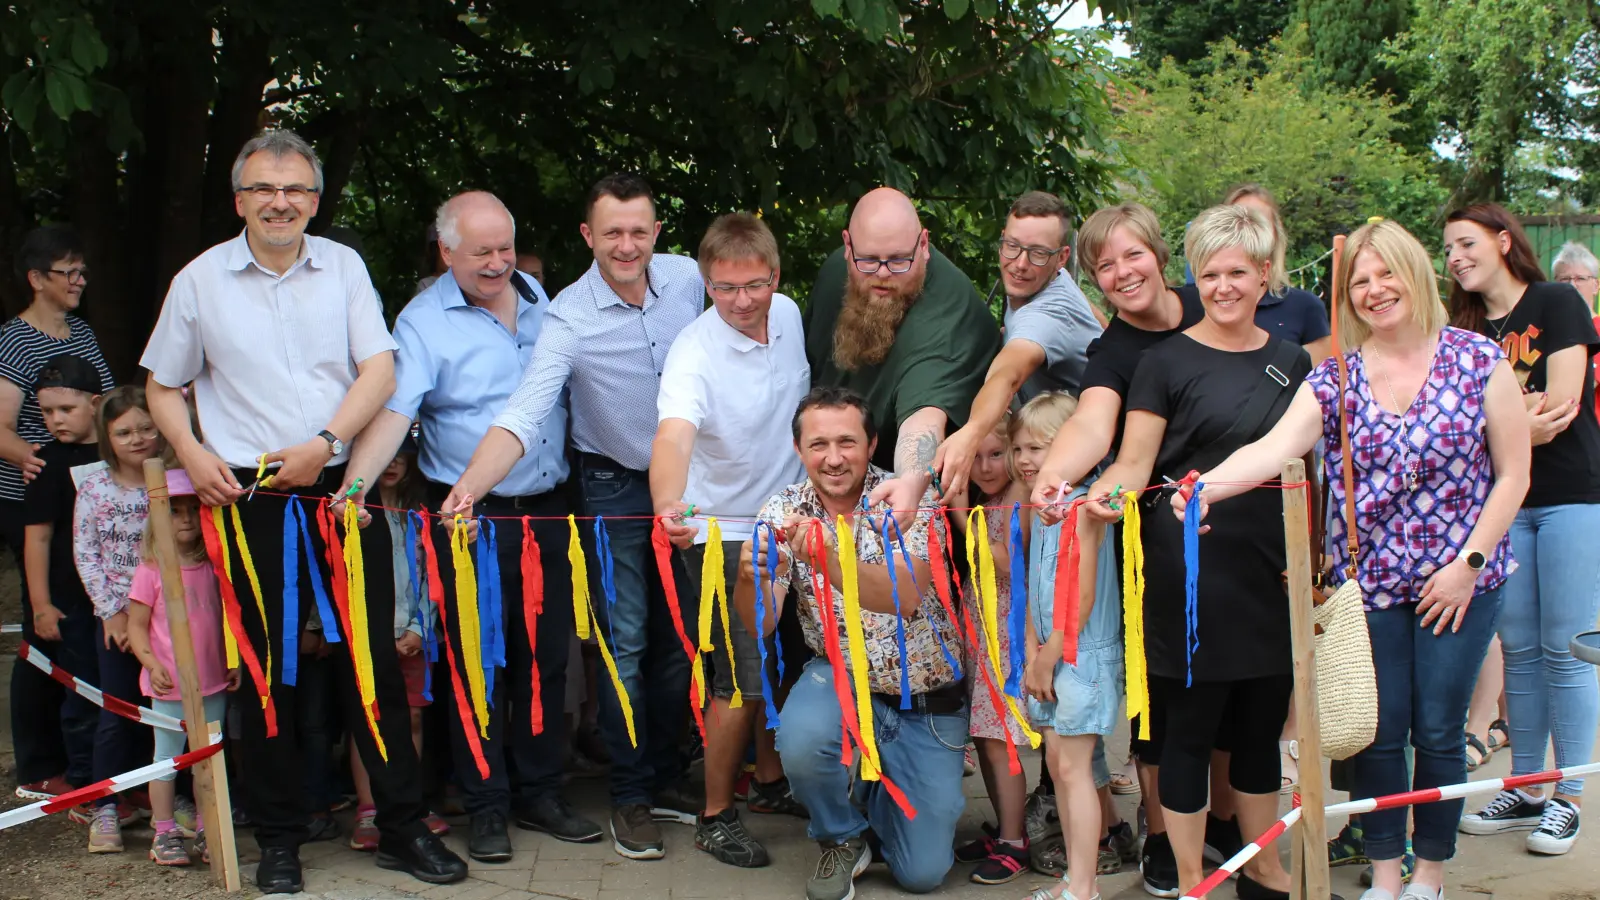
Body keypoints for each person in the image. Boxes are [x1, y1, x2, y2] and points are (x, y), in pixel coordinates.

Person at [141, 128, 464, 891]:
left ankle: (401, 826)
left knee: (372, 661)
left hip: (340, 488)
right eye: (263, 188)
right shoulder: (198, 281)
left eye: (294, 189)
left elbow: (379, 370)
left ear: (315, 201)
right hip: (247, 496)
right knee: (268, 670)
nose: (279, 201)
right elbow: (161, 385)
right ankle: (280, 838)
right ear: (239, 200)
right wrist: (191, 453)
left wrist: (327, 444)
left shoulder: (343, 267)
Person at [1188, 219, 1529, 900]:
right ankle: (1384, 875)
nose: (1375, 290)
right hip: (1369, 585)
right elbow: (1273, 448)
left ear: (1416, 273)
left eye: (1386, 274)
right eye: (1360, 282)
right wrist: (1205, 488)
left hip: (1461, 580)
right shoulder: (1335, 377)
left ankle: (1429, 875)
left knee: (1439, 731)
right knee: (1378, 732)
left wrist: (1467, 565)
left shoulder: (1478, 359)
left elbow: (1514, 474)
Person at [444, 174, 705, 861]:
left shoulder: (688, 279)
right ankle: (630, 793)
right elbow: (526, 410)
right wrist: (469, 488)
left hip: (687, 482)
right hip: (612, 484)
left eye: (639, 231)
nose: (627, 245)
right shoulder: (567, 316)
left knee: (681, 637)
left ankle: (668, 775)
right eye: (612, 232)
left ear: (657, 233)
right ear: (589, 235)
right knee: (625, 642)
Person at [341, 191, 597, 863]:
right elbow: (395, 412)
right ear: (446, 251)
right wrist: (355, 486)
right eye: (481, 252)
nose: (497, 263)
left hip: (548, 509)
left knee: (545, 658)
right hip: (466, 521)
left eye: (505, 248)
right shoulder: (422, 322)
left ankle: (541, 792)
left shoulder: (541, 301)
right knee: (476, 664)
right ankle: (485, 804)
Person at [1085, 205, 1311, 899]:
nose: (1222, 287)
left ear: (1264, 275)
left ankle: (1262, 865)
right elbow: (1133, 464)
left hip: (1269, 572)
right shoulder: (1162, 362)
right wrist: (1098, 497)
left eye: (1237, 272)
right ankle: (1192, 879)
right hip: (1186, 572)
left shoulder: (1292, 361)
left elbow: (1308, 471)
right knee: (1185, 733)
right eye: (1209, 274)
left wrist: (1314, 558)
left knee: (1259, 732)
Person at [1026, 201, 1203, 897]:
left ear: (1159, 254)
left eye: (1132, 254)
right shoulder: (1114, 351)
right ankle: (1163, 844)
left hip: (1236, 520)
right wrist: (1052, 475)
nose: (1123, 272)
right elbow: (1093, 427)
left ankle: (1222, 837)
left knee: (1221, 705)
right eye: (1104, 264)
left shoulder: (1211, 308)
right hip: (1155, 533)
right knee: (1160, 713)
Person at [734, 386, 966, 900]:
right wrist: (750, 578)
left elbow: (903, 595)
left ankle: (874, 787)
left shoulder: (908, 497)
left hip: (924, 695)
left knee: (922, 874)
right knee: (799, 738)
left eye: (847, 442)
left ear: (872, 444)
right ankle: (841, 836)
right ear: (798, 449)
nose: (834, 458)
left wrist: (828, 560)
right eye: (818, 444)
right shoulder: (783, 506)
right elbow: (761, 624)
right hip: (839, 676)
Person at [649, 212, 810, 868]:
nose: (741, 301)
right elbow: (673, 436)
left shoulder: (791, 315)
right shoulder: (693, 351)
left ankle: (769, 781)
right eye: (724, 288)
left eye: (754, 285)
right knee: (739, 677)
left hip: (790, 522)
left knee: (780, 662)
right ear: (705, 283)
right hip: (720, 533)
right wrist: (668, 503)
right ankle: (715, 814)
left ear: (775, 275)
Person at [1445, 205, 1600, 858]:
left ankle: (1570, 795)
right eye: (1447, 249)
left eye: (1466, 243)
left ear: (1504, 241)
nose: (1455, 258)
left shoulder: (1556, 301)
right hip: (1501, 505)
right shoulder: (1463, 328)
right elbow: (1454, 422)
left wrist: (1495, 426)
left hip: (1568, 495)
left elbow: (1560, 405)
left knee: (1567, 646)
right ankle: (1527, 786)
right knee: (1520, 650)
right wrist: (1511, 423)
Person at [802, 187, 1001, 525]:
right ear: (848, 246)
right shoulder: (837, 271)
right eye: (869, 260)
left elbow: (924, 419)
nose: (882, 273)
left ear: (923, 244)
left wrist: (908, 484)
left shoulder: (948, 312)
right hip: (827, 475)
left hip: (905, 496)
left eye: (898, 260)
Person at [2, 226, 115, 801]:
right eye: (68, 272)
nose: (79, 281)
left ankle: (97, 757)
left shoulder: (83, 332)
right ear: (36, 278)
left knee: (88, 624)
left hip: (89, 494)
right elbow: (0, 425)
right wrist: (40, 462)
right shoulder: (15, 340)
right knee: (45, 627)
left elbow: (108, 403)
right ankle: (39, 764)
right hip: (32, 497)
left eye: (81, 271)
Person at [1018, 393, 1127, 900]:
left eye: (1038, 448)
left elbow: (1080, 597)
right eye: (1019, 448)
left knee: (1072, 767)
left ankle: (1083, 886)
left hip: (1081, 654)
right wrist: (1031, 648)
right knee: (1062, 766)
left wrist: (1047, 655)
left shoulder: (1086, 505)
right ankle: (1075, 879)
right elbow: (1032, 583)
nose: (1025, 460)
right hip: (1049, 653)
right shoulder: (1039, 506)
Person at [934, 191, 1104, 499]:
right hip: (1047, 461)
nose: (1020, 263)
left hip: (1082, 478)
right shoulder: (1051, 280)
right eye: (1012, 246)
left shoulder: (1045, 315)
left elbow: (1008, 375)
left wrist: (971, 433)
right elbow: (1098, 323)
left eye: (1038, 253)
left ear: (1061, 257)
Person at [124, 467, 240, 866]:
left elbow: (227, 619)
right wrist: (150, 662)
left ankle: (209, 829)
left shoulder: (214, 565)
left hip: (213, 682)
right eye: (175, 510)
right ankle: (164, 831)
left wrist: (233, 661)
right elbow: (136, 626)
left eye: (193, 509)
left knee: (208, 758)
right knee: (167, 760)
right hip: (169, 685)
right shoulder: (151, 570)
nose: (186, 518)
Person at [943, 410, 1033, 885]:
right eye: (974, 458)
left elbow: (1005, 561)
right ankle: (1005, 830)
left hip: (1006, 633)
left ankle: (1015, 842)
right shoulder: (992, 498)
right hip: (983, 627)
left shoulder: (1018, 494)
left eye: (996, 454)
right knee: (986, 736)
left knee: (1001, 741)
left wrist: (960, 517)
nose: (984, 467)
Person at [75, 386, 164, 851]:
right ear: (107, 437)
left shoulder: (175, 481)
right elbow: (87, 555)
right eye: (124, 432)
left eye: (146, 428)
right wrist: (113, 613)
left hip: (171, 620)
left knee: (168, 712)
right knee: (117, 712)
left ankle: (177, 798)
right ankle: (106, 805)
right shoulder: (94, 489)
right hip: (117, 618)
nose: (137, 439)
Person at [347, 438, 447, 850]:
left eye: (399, 457)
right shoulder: (349, 516)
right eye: (383, 456)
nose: (390, 465)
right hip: (366, 636)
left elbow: (430, 577)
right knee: (370, 721)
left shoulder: (418, 519)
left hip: (411, 636)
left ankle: (411, 802)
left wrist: (420, 629)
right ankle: (370, 809)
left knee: (412, 718)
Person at [22, 355, 107, 816]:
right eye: (46, 411)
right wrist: (41, 604)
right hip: (71, 600)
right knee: (82, 696)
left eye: (66, 409)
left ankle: (136, 781)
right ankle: (86, 785)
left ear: (95, 404)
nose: (55, 420)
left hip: (124, 597)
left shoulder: (121, 454)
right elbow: (37, 536)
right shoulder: (47, 464)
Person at [1212, 185, 1332, 364]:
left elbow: (1319, 378)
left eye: (1258, 224)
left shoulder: (1305, 308)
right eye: (1238, 223)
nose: (1248, 234)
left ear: (1275, 235)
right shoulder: (1202, 305)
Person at [1550, 242, 1600, 419]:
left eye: (1580, 278)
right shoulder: (1545, 330)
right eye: (1564, 279)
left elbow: (1576, 391)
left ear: (1596, 285)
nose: (1572, 285)